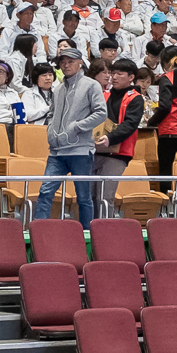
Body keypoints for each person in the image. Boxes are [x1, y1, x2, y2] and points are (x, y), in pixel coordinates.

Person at [37, 46, 111, 224]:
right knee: (45, 192)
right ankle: (37, 232)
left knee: (83, 197)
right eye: (62, 62)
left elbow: (101, 113)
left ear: (80, 63)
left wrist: (77, 127)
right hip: (56, 151)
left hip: (80, 150)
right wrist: (51, 129)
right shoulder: (58, 89)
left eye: (70, 61)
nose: (65, 65)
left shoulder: (91, 85)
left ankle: (86, 236)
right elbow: (51, 113)